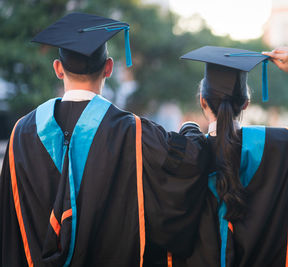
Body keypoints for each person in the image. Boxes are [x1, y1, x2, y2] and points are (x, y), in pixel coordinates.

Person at [0, 13, 209, 266]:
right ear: (109, 68)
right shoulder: (134, 132)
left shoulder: (21, 133)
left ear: (57, 69)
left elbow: (8, 222)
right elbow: (191, 160)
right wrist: (191, 127)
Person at [174, 46, 288, 267]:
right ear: (245, 104)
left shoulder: (182, 153)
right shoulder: (278, 143)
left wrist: (188, 128)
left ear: (202, 101)